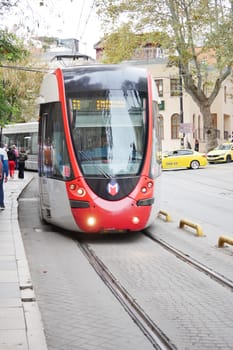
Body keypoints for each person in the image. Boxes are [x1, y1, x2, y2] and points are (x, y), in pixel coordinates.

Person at [0, 142, 9, 210]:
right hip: (0, 173)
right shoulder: (3, 151)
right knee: (0, 188)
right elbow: (5, 164)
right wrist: (6, 175)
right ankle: (1, 204)